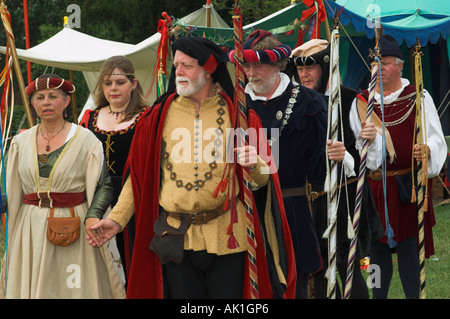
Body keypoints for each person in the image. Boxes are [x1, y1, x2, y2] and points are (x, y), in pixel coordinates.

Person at [88, 36, 297, 299]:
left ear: (208, 70)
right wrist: (117, 220)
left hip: (229, 237)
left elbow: (266, 179)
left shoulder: (241, 114)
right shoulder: (156, 117)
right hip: (175, 237)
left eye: (187, 65)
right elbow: (138, 179)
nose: (179, 72)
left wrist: (255, 163)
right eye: (176, 65)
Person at [229, 29, 344, 299]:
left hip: (297, 210)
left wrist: (338, 155)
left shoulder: (311, 103)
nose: (251, 71)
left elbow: (326, 170)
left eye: (258, 64)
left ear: (277, 64)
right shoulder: (234, 107)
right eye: (246, 65)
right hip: (248, 209)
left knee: (296, 286)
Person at [0, 74, 125, 298]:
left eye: (53, 96)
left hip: (72, 224)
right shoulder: (20, 142)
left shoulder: (86, 140)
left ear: (66, 101)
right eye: (39, 97)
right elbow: (14, 191)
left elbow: (103, 186)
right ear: (32, 104)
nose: (46, 102)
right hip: (30, 227)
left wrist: (93, 216)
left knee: (72, 287)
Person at [289, 39, 384, 299]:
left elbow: (373, 158)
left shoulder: (351, 99)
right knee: (318, 270)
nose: (304, 74)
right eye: (300, 69)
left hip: (344, 198)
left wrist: (353, 152)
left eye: (310, 67)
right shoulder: (295, 102)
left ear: (326, 66)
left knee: (347, 268)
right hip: (311, 201)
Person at [363, 34, 447, 299]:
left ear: (400, 65)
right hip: (375, 187)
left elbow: (435, 136)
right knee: (376, 252)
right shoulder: (364, 101)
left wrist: (428, 149)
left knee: (410, 248)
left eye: (385, 63)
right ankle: (378, 296)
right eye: (375, 63)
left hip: (407, 187)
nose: (379, 69)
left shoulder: (417, 96)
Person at [80, 56, 148, 277]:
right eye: (107, 83)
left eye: (120, 82)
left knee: (131, 260)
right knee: (101, 262)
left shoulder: (146, 117)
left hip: (135, 196)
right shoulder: (89, 118)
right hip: (95, 196)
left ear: (134, 84)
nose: (113, 88)